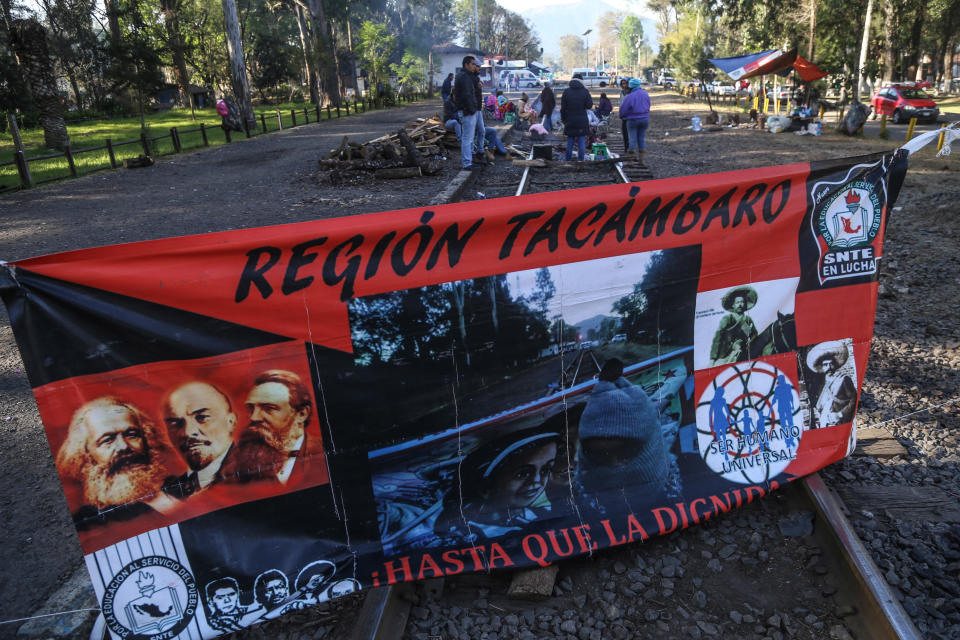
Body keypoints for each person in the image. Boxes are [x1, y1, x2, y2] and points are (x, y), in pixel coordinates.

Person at [57, 396, 178, 530]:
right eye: (107, 440)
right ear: (86, 454)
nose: (123, 446)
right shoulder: (89, 524)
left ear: (146, 439)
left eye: (132, 434)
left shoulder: (183, 486)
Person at [434, 427, 560, 543]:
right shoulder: (463, 534)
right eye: (522, 474)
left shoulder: (541, 513)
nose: (537, 481)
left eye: (545, 470)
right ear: (485, 486)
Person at [575, 359, 669, 504]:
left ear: (651, 442)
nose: (614, 466)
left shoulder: (687, 486)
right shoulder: (575, 498)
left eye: (625, 452)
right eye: (598, 456)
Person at [229, 369, 322, 484]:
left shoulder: (324, 452)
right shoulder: (235, 463)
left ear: (301, 414)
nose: (254, 417)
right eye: (251, 408)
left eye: (269, 408)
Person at [161, 381, 237, 498]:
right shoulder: (168, 494)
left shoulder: (255, 474)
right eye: (176, 423)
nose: (187, 432)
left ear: (230, 422)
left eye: (202, 417)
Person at [807, 342, 857, 429]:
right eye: (825, 365)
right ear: (822, 367)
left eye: (831, 364)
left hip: (839, 421)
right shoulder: (822, 383)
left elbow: (854, 400)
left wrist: (840, 414)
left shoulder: (844, 379)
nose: (829, 367)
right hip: (824, 421)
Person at [709, 286, 759, 367]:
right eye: (737, 302)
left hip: (742, 352)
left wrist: (747, 343)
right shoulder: (728, 319)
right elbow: (718, 338)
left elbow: (753, 335)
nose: (740, 304)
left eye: (742, 302)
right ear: (733, 305)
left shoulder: (746, 319)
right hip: (725, 354)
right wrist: (712, 359)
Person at [452, 56, 484, 170]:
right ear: (466, 64)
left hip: (469, 110)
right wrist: (471, 110)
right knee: (467, 138)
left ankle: (469, 160)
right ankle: (467, 163)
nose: (475, 66)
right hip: (467, 111)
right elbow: (467, 95)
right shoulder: (464, 77)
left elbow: (472, 89)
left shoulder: (467, 76)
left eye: (475, 64)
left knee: (469, 138)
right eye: (473, 64)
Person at [561, 73, 593, 161]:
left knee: (570, 142)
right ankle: (581, 161)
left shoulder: (566, 91)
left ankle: (568, 161)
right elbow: (589, 105)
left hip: (569, 120)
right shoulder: (585, 91)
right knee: (581, 142)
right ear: (582, 81)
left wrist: (563, 119)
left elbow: (563, 108)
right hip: (581, 121)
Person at [618, 78, 651, 162]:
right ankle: (641, 160)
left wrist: (621, 116)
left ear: (631, 87)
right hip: (644, 120)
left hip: (632, 120)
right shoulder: (645, 94)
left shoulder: (629, 96)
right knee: (641, 139)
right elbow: (648, 106)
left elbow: (623, 109)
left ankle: (630, 161)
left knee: (632, 140)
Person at [618, 78, 631, 146]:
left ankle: (630, 146)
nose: (624, 85)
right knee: (624, 132)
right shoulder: (622, 92)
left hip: (631, 115)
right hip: (624, 115)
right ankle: (626, 146)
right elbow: (620, 103)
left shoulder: (631, 92)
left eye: (625, 83)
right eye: (623, 83)